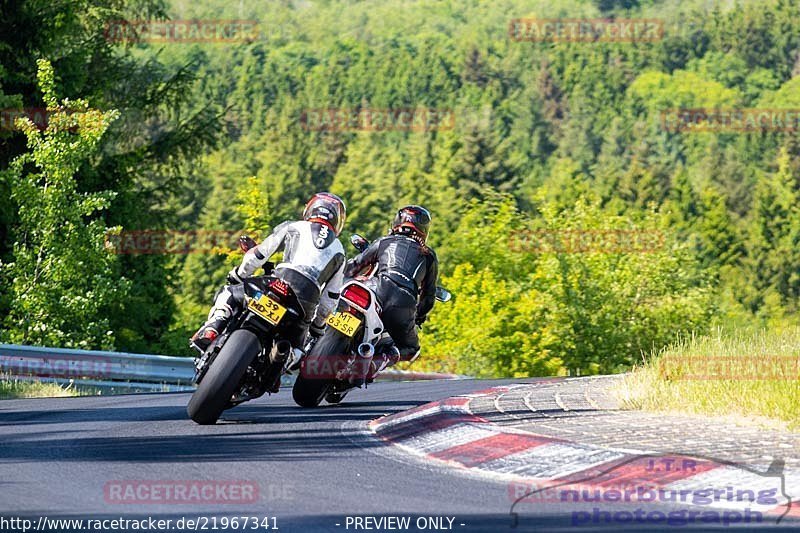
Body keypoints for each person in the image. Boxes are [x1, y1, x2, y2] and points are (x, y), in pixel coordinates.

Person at [190, 192, 347, 365]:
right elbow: (330, 298)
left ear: (310, 209)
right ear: (338, 221)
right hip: (305, 303)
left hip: (278, 282)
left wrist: (239, 274)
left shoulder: (293, 226)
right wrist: (318, 325)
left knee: (229, 293)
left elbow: (258, 255)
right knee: (298, 348)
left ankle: (213, 327)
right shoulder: (340, 251)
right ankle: (284, 358)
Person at [343, 205, 438, 369]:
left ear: (396, 222)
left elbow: (355, 265)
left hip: (375, 289)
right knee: (411, 348)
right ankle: (380, 360)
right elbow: (428, 296)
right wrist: (418, 317)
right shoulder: (428, 255)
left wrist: (339, 277)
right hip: (403, 304)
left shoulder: (384, 241)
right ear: (424, 229)